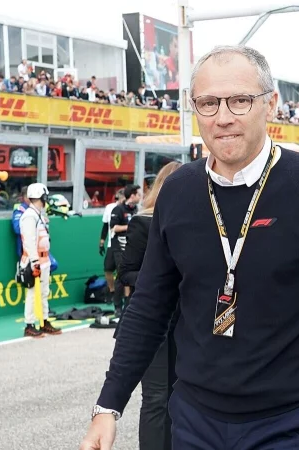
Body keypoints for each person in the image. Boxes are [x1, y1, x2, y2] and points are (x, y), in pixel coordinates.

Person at [80, 45, 299, 450]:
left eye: (240, 101)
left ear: (270, 104)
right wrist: (108, 406)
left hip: (289, 420)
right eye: (208, 103)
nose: (223, 117)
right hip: (192, 418)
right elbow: (149, 305)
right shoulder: (177, 191)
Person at [117, 162, 182, 450]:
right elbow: (126, 273)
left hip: (187, 322)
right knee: (156, 397)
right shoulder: (142, 223)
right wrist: (160, 277)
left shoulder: (197, 224)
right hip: (151, 321)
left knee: (183, 395)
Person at [19, 183, 61, 338]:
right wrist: (34, 262)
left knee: (44, 292)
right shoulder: (30, 216)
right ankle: (29, 325)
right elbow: (29, 241)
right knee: (31, 293)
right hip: (34, 261)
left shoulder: (37, 214)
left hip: (44, 260)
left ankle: (44, 321)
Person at [109, 184, 141, 317]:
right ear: (132, 195)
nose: (140, 197)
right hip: (120, 247)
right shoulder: (118, 209)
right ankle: (117, 306)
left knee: (134, 276)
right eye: (138, 194)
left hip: (133, 247)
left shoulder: (136, 209)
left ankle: (130, 305)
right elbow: (113, 228)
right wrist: (131, 227)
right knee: (121, 276)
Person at [100, 189, 126, 307]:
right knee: (108, 268)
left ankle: (124, 297)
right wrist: (101, 242)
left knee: (123, 272)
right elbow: (105, 226)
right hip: (112, 244)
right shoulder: (110, 208)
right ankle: (111, 290)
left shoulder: (128, 210)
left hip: (124, 245)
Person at [12, 186, 30, 258]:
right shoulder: (20, 210)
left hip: (38, 248)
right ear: (24, 197)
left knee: (52, 265)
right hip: (25, 249)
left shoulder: (36, 209)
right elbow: (17, 229)